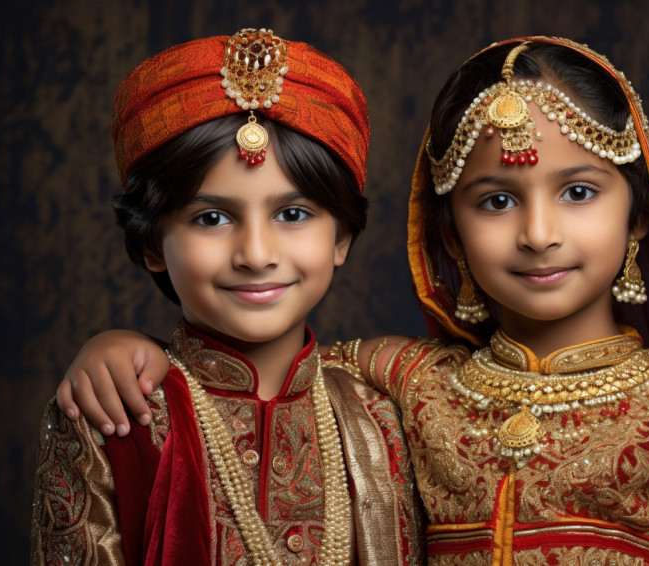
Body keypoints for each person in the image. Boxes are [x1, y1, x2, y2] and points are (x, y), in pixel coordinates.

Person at [56, 37, 649, 565]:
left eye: (579, 192)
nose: (539, 234)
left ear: (639, 219)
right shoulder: (409, 385)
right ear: (446, 235)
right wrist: (127, 343)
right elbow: (263, 352)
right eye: (495, 202)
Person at [30, 28, 424, 565]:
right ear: (151, 242)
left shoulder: (382, 417)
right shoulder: (115, 413)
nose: (256, 254)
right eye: (211, 218)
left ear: (342, 237)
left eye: (292, 214)